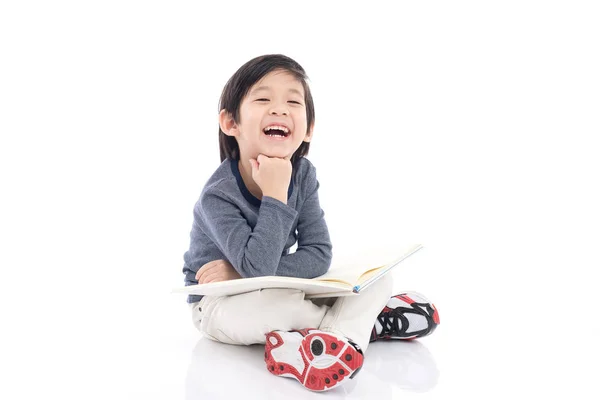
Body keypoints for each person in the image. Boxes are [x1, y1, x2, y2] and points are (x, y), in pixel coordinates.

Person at [182, 54, 440, 392]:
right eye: (263, 99)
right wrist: (275, 195)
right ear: (231, 123)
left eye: (293, 101)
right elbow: (258, 266)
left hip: (275, 282)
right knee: (268, 310)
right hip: (220, 304)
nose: (280, 109)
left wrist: (239, 270)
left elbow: (318, 254)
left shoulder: (303, 175)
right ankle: (361, 327)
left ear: (309, 129)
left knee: (378, 277)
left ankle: (326, 342)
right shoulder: (219, 195)